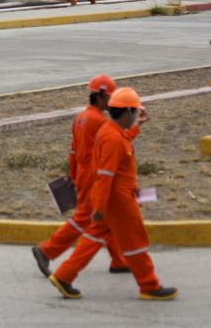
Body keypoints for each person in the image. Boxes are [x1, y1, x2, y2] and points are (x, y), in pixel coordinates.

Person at [48, 87, 178, 301]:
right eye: (134, 112)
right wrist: (99, 207)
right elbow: (105, 176)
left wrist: (136, 128)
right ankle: (149, 285)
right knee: (135, 241)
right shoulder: (112, 138)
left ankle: (63, 276)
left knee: (92, 238)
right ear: (126, 112)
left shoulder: (111, 131)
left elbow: (122, 145)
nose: (135, 116)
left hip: (113, 198)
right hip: (117, 201)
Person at [32, 74, 141, 277]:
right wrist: (135, 128)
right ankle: (46, 250)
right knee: (85, 218)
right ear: (100, 97)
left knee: (106, 218)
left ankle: (119, 261)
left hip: (84, 173)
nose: (113, 102)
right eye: (111, 97)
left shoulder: (80, 117)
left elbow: (73, 150)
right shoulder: (99, 121)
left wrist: (73, 176)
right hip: (94, 176)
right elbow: (120, 141)